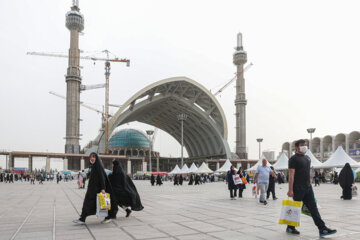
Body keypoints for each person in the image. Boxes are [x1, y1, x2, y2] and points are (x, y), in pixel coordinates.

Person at [286, 139, 336, 237]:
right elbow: (291, 175)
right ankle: (290, 227)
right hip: (298, 188)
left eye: (305, 145)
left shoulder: (308, 158)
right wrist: (290, 189)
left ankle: (322, 229)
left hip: (308, 188)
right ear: (296, 147)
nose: (304, 146)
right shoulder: (293, 159)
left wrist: (310, 184)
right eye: (302, 145)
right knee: (295, 208)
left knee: (314, 208)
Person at [73, 152, 113, 224]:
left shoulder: (98, 166)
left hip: (97, 189)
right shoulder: (92, 166)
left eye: (93, 157)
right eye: (91, 157)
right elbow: (90, 175)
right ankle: (83, 218)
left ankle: (108, 216)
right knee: (90, 203)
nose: (92, 158)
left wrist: (103, 188)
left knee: (99, 203)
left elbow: (102, 177)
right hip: (92, 188)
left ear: (96, 158)